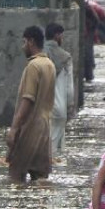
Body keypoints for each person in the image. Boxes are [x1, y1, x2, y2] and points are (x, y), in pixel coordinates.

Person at [6, 25, 57, 184]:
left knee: (16, 176)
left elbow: (28, 100)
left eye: (24, 42)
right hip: (45, 130)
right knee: (40, 179)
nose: (23, 47)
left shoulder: (33, 66)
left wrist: (14, 129)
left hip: (30, 129)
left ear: (31, 42)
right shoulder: (49, 64)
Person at [44, 23, 73, 156]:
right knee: (54, 153)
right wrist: (70, 108)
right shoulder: (66, 57)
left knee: (44, 148)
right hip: (59, 110)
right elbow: (69, 89)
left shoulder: (40, 56)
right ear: (57, 36)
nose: (63, 38)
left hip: (42, 110)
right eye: (62, 35)